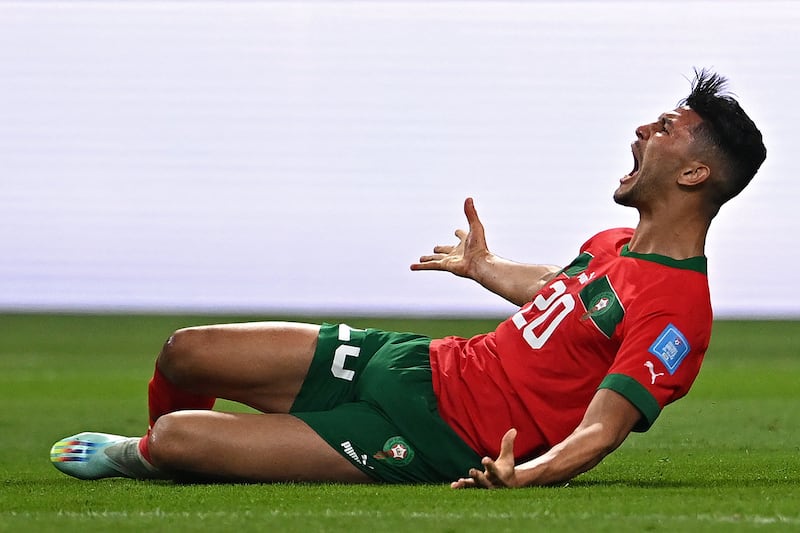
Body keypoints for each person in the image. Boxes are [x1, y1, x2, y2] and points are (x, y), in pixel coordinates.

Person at [50, 69, 766, 488]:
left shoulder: (677, 313)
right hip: (416, 363)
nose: (643, 130)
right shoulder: (612, 245)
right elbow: (566, 295)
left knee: (177, 437)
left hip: (436, 439)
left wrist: (529, 475)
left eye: (665, 128)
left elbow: (603, 428)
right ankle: (180, 453)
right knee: (185, 351)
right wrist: (486, 269)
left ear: (696, 172)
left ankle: (144, 457)